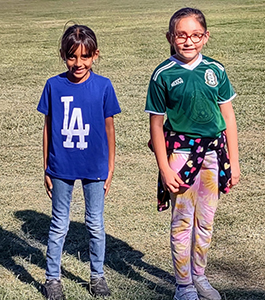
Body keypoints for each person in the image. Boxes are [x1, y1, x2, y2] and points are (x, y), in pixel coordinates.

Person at [145, 7, 240, 300]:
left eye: (196, 35)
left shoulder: (216, 70)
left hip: (213, 155)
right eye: (182, 35)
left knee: (206, 221)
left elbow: (229, 117)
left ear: (206, 36)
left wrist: (234, 162)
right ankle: (183, 286)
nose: (189, 41)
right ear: (170, 37)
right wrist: (165, 168)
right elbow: (156, 125)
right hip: (181, 158)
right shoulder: (163, 74)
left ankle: (199, 277)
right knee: (183, 221)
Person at [37, 24, 121, 299]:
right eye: (72, 56)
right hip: (61, 165)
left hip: (95, 167)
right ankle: (52, 279)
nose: (78, 63)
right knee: (59, 223)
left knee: (95, 223)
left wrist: (109, 168)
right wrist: (46, 167)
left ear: (95, 55)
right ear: (63, 55)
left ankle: (97, 276)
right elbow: (48, 128)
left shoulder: (104, 86)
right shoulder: (53, 85)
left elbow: (109, 130)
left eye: (84, 57)